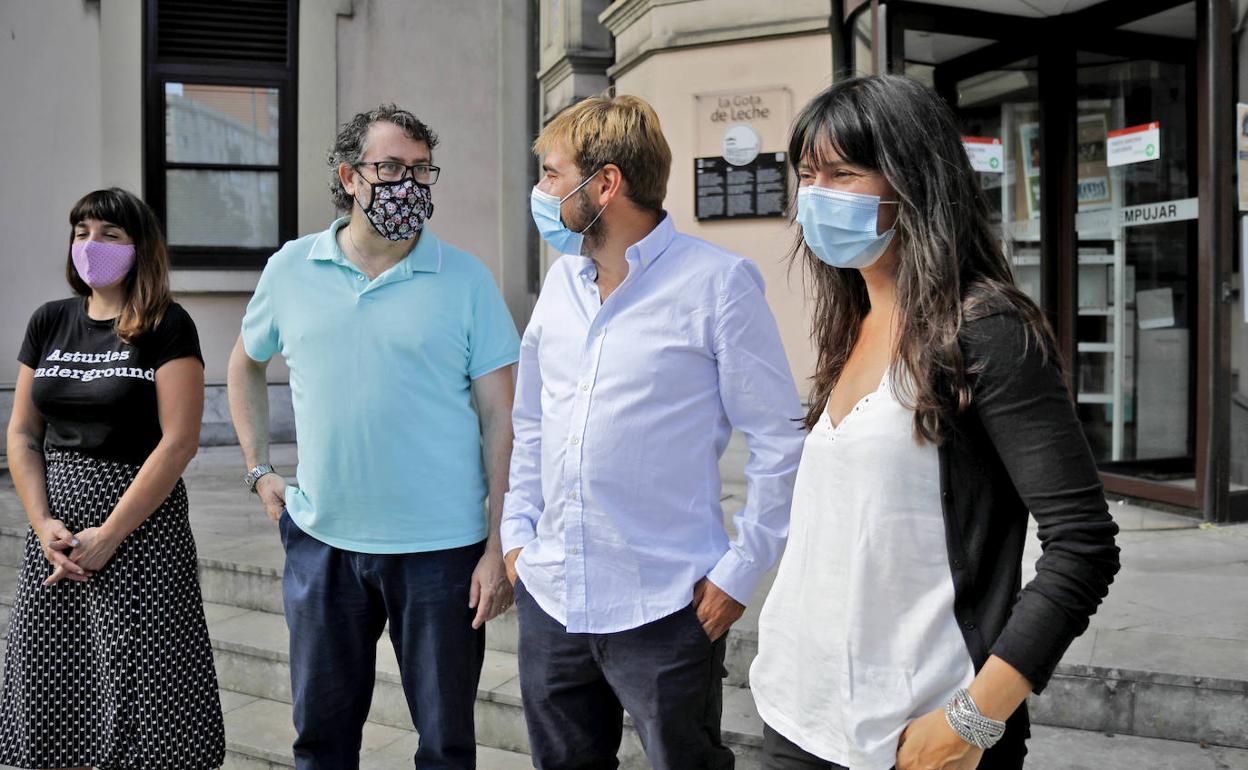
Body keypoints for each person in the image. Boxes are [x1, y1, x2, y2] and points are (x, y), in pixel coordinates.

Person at [748, 75, 1122, 770]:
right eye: (807, 175)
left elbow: (1083, 547)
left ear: (914, 181)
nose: (818, 195)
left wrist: (974, 722)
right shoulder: (851, 323)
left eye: (843, 173)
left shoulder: (986, 330)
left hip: (916, 739)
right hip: (796, 715)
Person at [501, 93, 806, 770]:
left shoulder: (719, 285)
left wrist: (740, 570)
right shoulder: (560, 285)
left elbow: (782, 437)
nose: (541, 191)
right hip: (552, 598)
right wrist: (517, 535)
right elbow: (532, 423)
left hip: (666, 609)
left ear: (604, 183)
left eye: (552, 173)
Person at [226, 103, 520, 769]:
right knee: (321, 744)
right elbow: (245, 362)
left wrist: (498, 545)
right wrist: (257, 468)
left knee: (446, 748)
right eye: (389, 168)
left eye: (421, 170)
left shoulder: (467, 280)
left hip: (442, 552)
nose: (407, 185)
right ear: (350, 177)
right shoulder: (292, 269)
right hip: (323, 544)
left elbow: (503, 421)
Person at [0, 187, 224, 769]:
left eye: (109, 235)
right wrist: (42, 520)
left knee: (143, 687)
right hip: (57, 540)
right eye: (82, 233)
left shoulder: (167, 325)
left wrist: (110, 534)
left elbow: (179, 442)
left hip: (139, 533)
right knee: (53, 678)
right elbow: (24, 433)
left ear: (139, 247)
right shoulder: (49, 321)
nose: (91, 246)